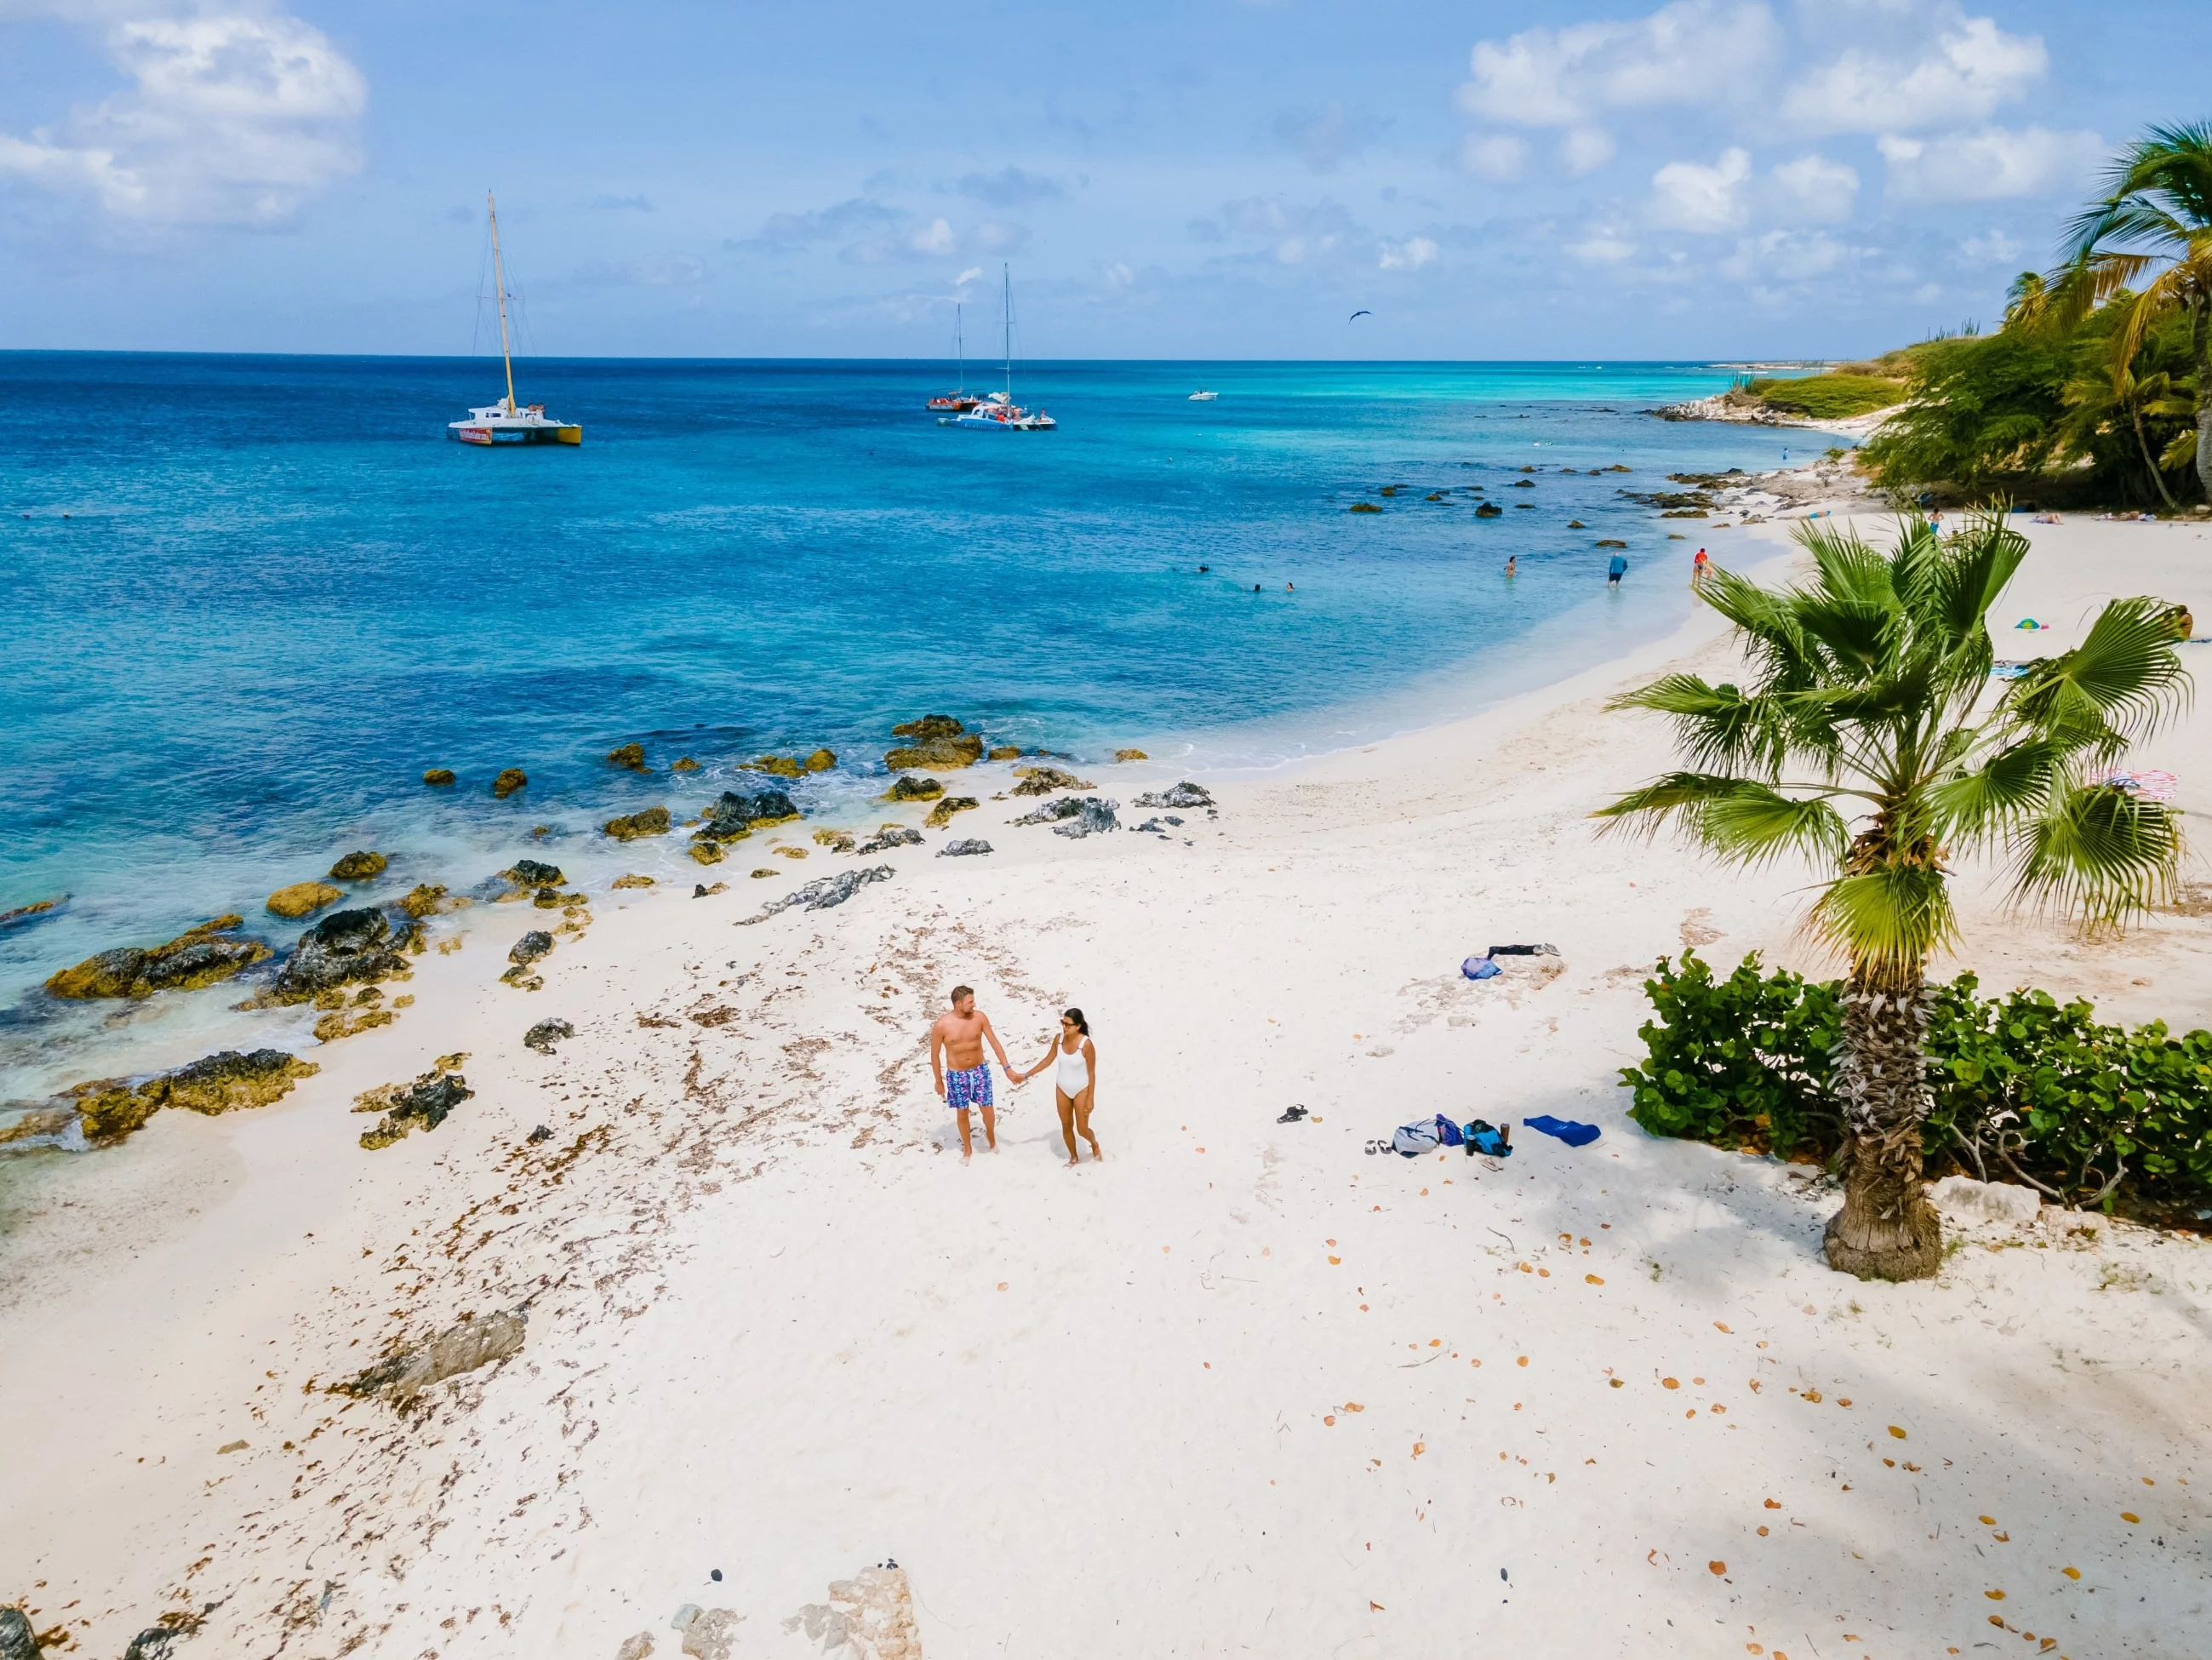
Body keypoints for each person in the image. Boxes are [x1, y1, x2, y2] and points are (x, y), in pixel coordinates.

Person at [930, 984, 1015, 1159]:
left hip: (980, 1071)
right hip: (956, 1074)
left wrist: (1007, 1068)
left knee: (988, 1109)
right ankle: (967, 1148)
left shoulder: (980, 1018)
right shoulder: (942, 1025)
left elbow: (995, 1043)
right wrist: (938, 1081)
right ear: (958, 1004)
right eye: (970, 1002)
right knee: (962, 1111)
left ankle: (991, 1138)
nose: (974, 1004)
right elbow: (935, 1055)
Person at [1015, 1007, 1100, 1165]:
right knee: (1066, 1124)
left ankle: (1094, 1143)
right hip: (1062, 1088)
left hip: (1082, 1089)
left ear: (1078, 1026)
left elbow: (1091, 1073)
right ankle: (1073, 1157)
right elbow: (1047, 1060)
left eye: (1068, 1024)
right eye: (1063, 1023)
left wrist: (1091, 1099)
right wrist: (1026, 1075)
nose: (1064, 1027)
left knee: (1082, 1129)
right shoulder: (1058, 1039)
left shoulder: (1086, 1045)